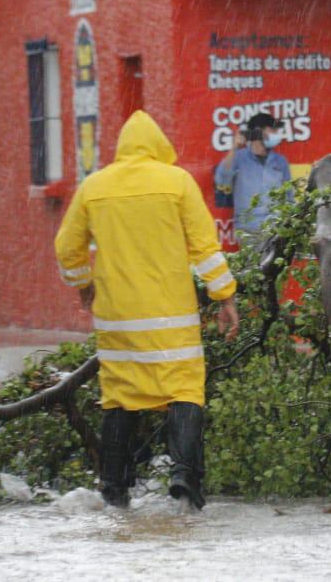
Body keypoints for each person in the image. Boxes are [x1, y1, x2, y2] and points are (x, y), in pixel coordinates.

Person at [54, 110, 239, 510]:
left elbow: (66, 247)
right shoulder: (177, 183)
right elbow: (205, 248)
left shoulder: (94, 187)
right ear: (159, 148)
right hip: (170, 316)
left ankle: (114, 486)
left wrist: (83, 284)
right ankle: (184, 477)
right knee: (185, 391)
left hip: (117, 317)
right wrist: (225, 296)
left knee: (119, 396)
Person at [214, 111, 291, 250]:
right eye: (272, 129)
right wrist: (234, 148)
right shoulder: (239, 158)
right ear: (258, 132)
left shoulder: (280, 161)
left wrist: (288, 225)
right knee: (254, 271)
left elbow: (289, 196)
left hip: (277, 231)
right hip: (249, 230)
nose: (276, 133)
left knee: (277, 271)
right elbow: (221, 181)